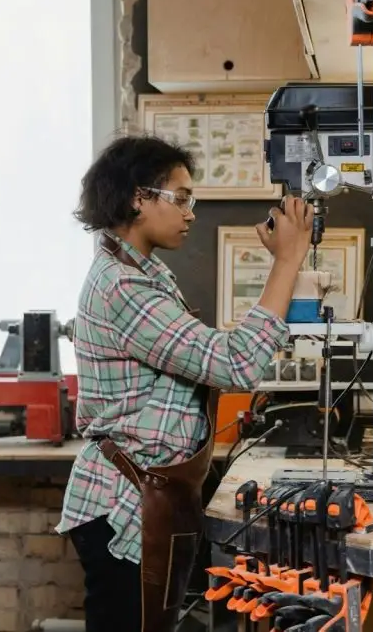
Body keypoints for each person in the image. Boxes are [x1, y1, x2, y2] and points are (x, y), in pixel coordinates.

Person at [55, 135, 313, 632]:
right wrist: (286, 261)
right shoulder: (123, 286)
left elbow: (210, 357)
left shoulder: (146, 272)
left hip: (150, 496)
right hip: (124, 506)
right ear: (138, 198)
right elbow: (236, 364)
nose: (191, 213)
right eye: (181, 198)